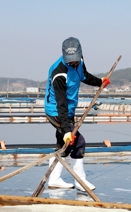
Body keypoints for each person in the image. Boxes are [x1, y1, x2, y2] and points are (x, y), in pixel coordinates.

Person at [44, 37, 110, 191]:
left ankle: (54, 179)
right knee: (78, 142)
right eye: (70, 62)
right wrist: (67, 130)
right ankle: (81, 181)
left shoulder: (79, 62)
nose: (74, 64)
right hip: (56, 111)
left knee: (64, 146)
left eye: (76, 61)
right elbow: (61, 104)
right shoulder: (59, 73)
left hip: (69, 109)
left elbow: (84, 75)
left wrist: (100, 81)